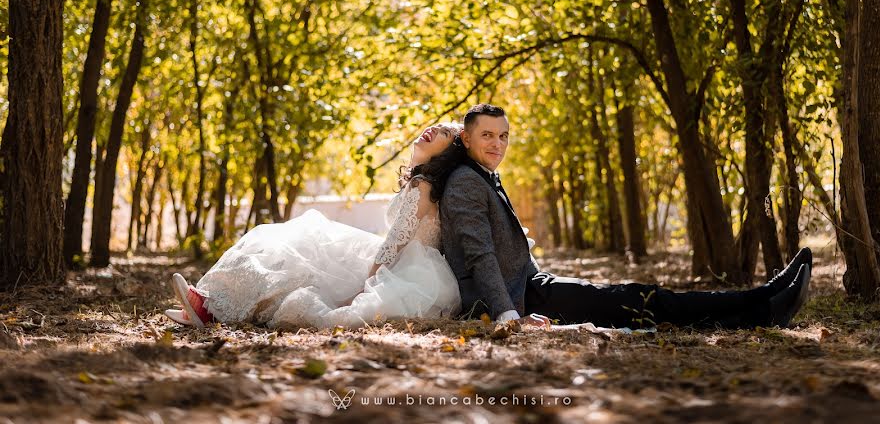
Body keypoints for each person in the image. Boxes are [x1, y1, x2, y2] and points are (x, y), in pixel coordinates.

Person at [439, 103, 812, 331]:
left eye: (503, 136)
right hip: (523, 298)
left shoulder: (481, 177)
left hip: (533, 287)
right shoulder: (465, 183)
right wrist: (508, 316)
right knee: (641, 301)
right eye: (487, 135)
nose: (497, 144)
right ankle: (763, 305)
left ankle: (764, 297)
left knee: (638, 299)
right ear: (466, 140)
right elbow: (479, 254)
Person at [165, 122, 465, 329]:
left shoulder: (423, 186)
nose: (434, 129)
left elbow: (394, 245)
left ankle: (211, 308)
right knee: (298, 248)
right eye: (436, 125)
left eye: (445, 134)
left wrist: (366, 286)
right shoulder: (422, 182)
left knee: (303, 243)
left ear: (448, 153)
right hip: (400, 263)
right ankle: (211, 306)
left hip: (403, 269)